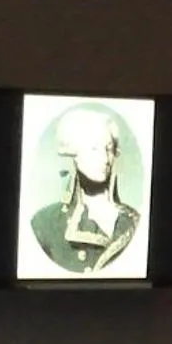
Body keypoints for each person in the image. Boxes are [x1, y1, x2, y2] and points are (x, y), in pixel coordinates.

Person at [29, 104, 141, 273]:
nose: (104, 159)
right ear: (74, 155)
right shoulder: (46, 224)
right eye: (94, 148)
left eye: (109, 149)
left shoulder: (134, 222)